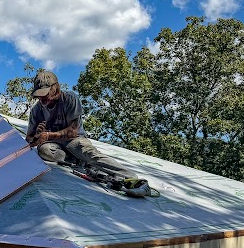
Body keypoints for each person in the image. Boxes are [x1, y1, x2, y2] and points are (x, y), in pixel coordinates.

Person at [25, 69, 150, 197]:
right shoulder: (36, 110)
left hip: (73, 140)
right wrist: (36, 137)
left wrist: (47, 135)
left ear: (55, 88)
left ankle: (130, 178)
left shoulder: (69, 99)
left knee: (85, 150)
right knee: (44, 150)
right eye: (39, 95)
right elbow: (28, 138)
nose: (41, 99)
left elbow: (73, 131)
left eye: (44, 94)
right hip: (53, 145)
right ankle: (78, 161)